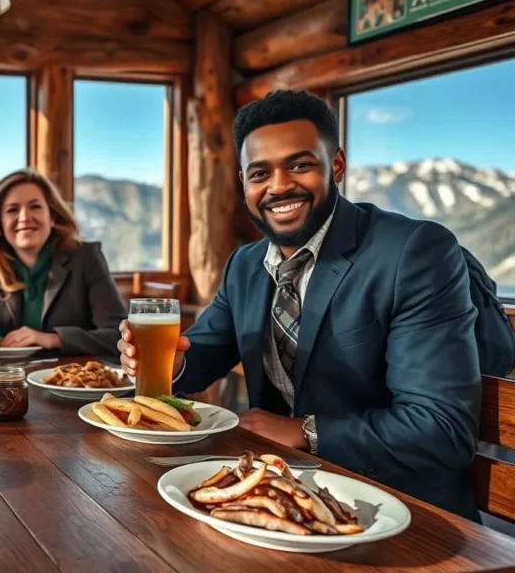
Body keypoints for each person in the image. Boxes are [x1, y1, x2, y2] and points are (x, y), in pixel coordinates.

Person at [118, 89, 482, 521]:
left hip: (398, 508)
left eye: (300, 165)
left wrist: (304, 432)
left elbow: (441, 429)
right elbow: (202, 351)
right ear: (244, 183)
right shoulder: (246, 265)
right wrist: (162, 363)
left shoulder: (413, 252)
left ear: (338, 166)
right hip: (277, 497)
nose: (279, 186)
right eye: (259, 173)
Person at [0, 168, 126, 357]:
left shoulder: (86, 257)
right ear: (0, 225)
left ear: (52, 217)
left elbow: (119, 337)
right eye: (12, 210)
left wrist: (50, 338)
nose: (25, 217)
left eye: (35, 206)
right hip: (8, 381)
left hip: (75, 380)